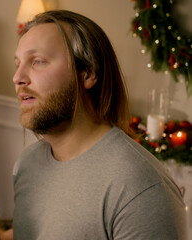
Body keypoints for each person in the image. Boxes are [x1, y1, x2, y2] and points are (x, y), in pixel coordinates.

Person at [10, 10, 187, 239]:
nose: (17, 77)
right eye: (18, 63)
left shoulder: (140, 187)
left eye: (37, 61)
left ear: (88, 74)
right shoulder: (26, 164)